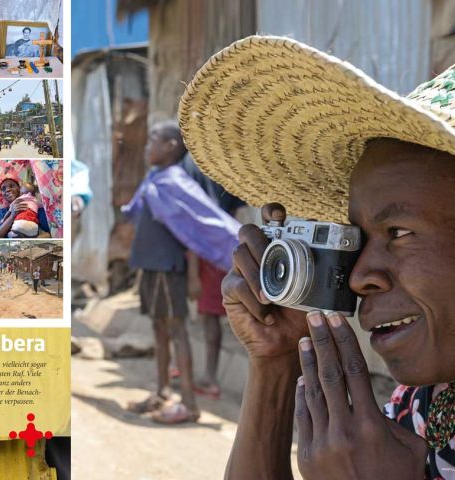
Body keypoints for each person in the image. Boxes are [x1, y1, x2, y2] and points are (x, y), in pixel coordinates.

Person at [178, 35, 455, 479]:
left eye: (399, 232)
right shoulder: (426, 405)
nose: (360, 275)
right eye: (357, 238)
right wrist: (274, 359)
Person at [122, 121, 241, 424]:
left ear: (171, 146)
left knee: (176, 331)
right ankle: (162, 392)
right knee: (159, 329)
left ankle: (189, 404)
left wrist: (193, 274)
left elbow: (199, 226)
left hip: (167, 266)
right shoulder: (156, 177)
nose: (147, 146)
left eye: (153, 141)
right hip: (151, 265)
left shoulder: (176, 182)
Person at [182, 154, 245, 399]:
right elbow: (235, 215)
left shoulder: (193, 167)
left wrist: (193, 273)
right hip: (225, 244)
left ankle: (210, 377)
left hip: (206, 251)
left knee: (209, 316)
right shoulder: (228, 168)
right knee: (210, 314)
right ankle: (205, 374)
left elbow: (196, 228)